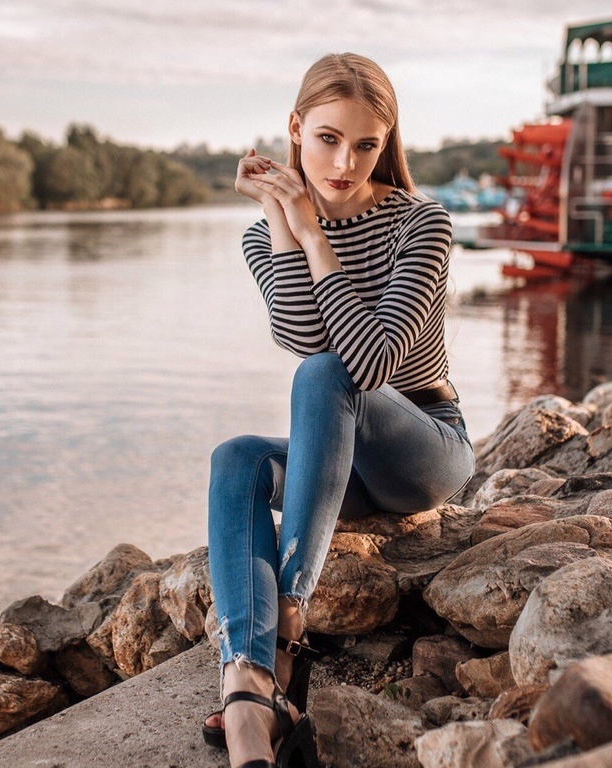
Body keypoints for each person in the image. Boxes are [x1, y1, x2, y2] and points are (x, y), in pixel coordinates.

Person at [202, 52, 475, 768]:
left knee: (329, 372)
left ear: (387, 144)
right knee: (235, 459)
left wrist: (316, 235)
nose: (344, 162)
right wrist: (280, 215)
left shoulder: (423, 223)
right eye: (326, 138)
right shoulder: (266, 232)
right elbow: (300, 335)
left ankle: (289, 618)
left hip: (423, 443)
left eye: (365, 144)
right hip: (341, 451)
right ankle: (248, 683)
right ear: (296, 129)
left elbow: (369, 363)